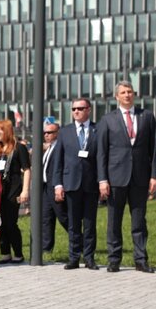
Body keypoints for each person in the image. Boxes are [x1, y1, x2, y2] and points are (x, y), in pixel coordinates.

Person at [97, 81, 156, 273]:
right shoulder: (108, 120)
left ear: (134, 95)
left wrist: (155, 176)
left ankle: (141, 260)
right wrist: (102, 179)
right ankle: (114, 259)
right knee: (114, 221)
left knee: (139, 221)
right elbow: (102, 152)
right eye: (123, 92)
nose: (127, 95)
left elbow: (154, 149)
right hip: (115, 178)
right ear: (117, 97)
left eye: (130, 92)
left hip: (140, 177)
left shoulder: (147, 117)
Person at [53, 98, 99, 270]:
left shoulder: (97, 129)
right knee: (73, 223)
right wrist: (58, 184)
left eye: (80, 108)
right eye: (73, 109)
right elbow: (58, 160)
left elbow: (101, 158)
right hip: (71, 183)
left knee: (89, 223)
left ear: (89, 109)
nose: (76, 111)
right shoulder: (65, 132)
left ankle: (89, 257)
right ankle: (73, 257)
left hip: (91, 184)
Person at [0, 119, 30, 264]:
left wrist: (25, 191)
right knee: (1, 223)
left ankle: (18, 253)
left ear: (7, 131)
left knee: (11, 222)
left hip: (13, 189)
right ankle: (5, 254)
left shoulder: (18, 148)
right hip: (0, 190)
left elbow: (27, 170)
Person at [40, 121, 67, 254]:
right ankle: (46, 248)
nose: (46, 135)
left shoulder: (60, 147)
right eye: (45, 132)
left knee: (63, 216)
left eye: (50, 132)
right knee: (46, 218)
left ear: (58, 133)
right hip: (46, 188)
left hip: (55, 186)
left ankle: (80, 241)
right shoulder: (49, 148)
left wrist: (59, 185)